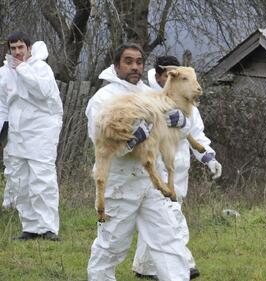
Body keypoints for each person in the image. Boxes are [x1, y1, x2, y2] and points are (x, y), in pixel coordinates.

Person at [85, 43, 191, 281]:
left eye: (139, 62)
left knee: (169, 239)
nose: (135, 67)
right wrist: (131, 142)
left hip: (152, 182)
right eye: (128, 61)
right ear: (116, 65)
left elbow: (177, 135)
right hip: (120, 184)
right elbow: (100, 142)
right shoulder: (103, 98)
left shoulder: (150, 95)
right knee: (112, 244)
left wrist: (181, 123)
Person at [133, 55, 222, 279]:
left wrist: (208, 156)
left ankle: (145, 267)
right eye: (168, 75)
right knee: (171, 219)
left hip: (179, 171)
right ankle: (184, 264)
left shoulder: (188, 101)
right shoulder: (147, 97)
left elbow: (196, 133)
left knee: (158, 221)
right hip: (157, 170)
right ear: (159, 75)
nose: (172, 80)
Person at [0, 32, 63, 241]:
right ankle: (30, 227)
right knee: (20, 181)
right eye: (13, 48)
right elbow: (3, 103)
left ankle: (48, 228)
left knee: (42, 179)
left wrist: (23, 69)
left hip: (40, 132)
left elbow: (43, 91)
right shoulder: (6, 73)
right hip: (17, 133)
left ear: (28, 48)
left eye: (20, 47)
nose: (17, 52)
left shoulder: (41, 68)